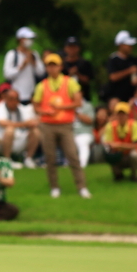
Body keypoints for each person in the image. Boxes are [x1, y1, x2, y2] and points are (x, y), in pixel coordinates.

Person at [32, 53, 91, 199]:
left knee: (72, 156)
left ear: (60, 67)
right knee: (50, 158)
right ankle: (54, 187)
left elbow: (78, 102)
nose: (52, 68)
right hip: (47, 125)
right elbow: (36, 106)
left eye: (54, 65)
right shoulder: (42, 85)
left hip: (65, 125)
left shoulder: (69, 82)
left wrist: (61, 107)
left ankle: (81, 187)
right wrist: (46, 111)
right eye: (49, 65)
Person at [0, 88, 40, 166]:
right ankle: (7, 160)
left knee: (35, 131)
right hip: (1, 140)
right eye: (11, 99)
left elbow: (32, 120)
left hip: (19, 139)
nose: (14, 101)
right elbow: (2, 123)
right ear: (5, 99)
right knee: (10, 130)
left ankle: (28, 159)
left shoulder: (22, 108)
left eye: (16, 99)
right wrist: (24, 124)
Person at [103, 102, 137, 181]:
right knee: (110, 154)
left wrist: (119, 146)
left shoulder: (134, 125)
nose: (121, 116)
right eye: (119, 114)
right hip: (118, 155)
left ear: (127, 115)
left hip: (131, 156)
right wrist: (114, 146)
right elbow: (107, 143)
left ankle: (134, 174)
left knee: (134, 155)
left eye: (123, 114)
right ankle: (118, 174)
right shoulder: (110, 126)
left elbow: (136, 145)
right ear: (115, 115)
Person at [3, 27, 44, 102]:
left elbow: (41, 72)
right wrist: (21, 67)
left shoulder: (34, 54)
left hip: (32, 96)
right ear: (20, 39)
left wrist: (33, 62)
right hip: (17, 97)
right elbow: (7, 75)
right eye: (28, 38)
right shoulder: (12, 54)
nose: (31, 41)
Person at [105, 31, 137, 105]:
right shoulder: (113, 59)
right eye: (128, 45)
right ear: (121, 45)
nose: (131, 47)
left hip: (131, 97)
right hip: (116, 97)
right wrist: (129, 71)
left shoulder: (133, 59)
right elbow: (113, 77)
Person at [73, 93, 96, 168]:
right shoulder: (67, 105)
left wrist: (77, 113)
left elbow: (90, 120)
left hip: (84, 133)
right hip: (70, 132)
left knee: (82, 141)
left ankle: (82, 165)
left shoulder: (87, 106)